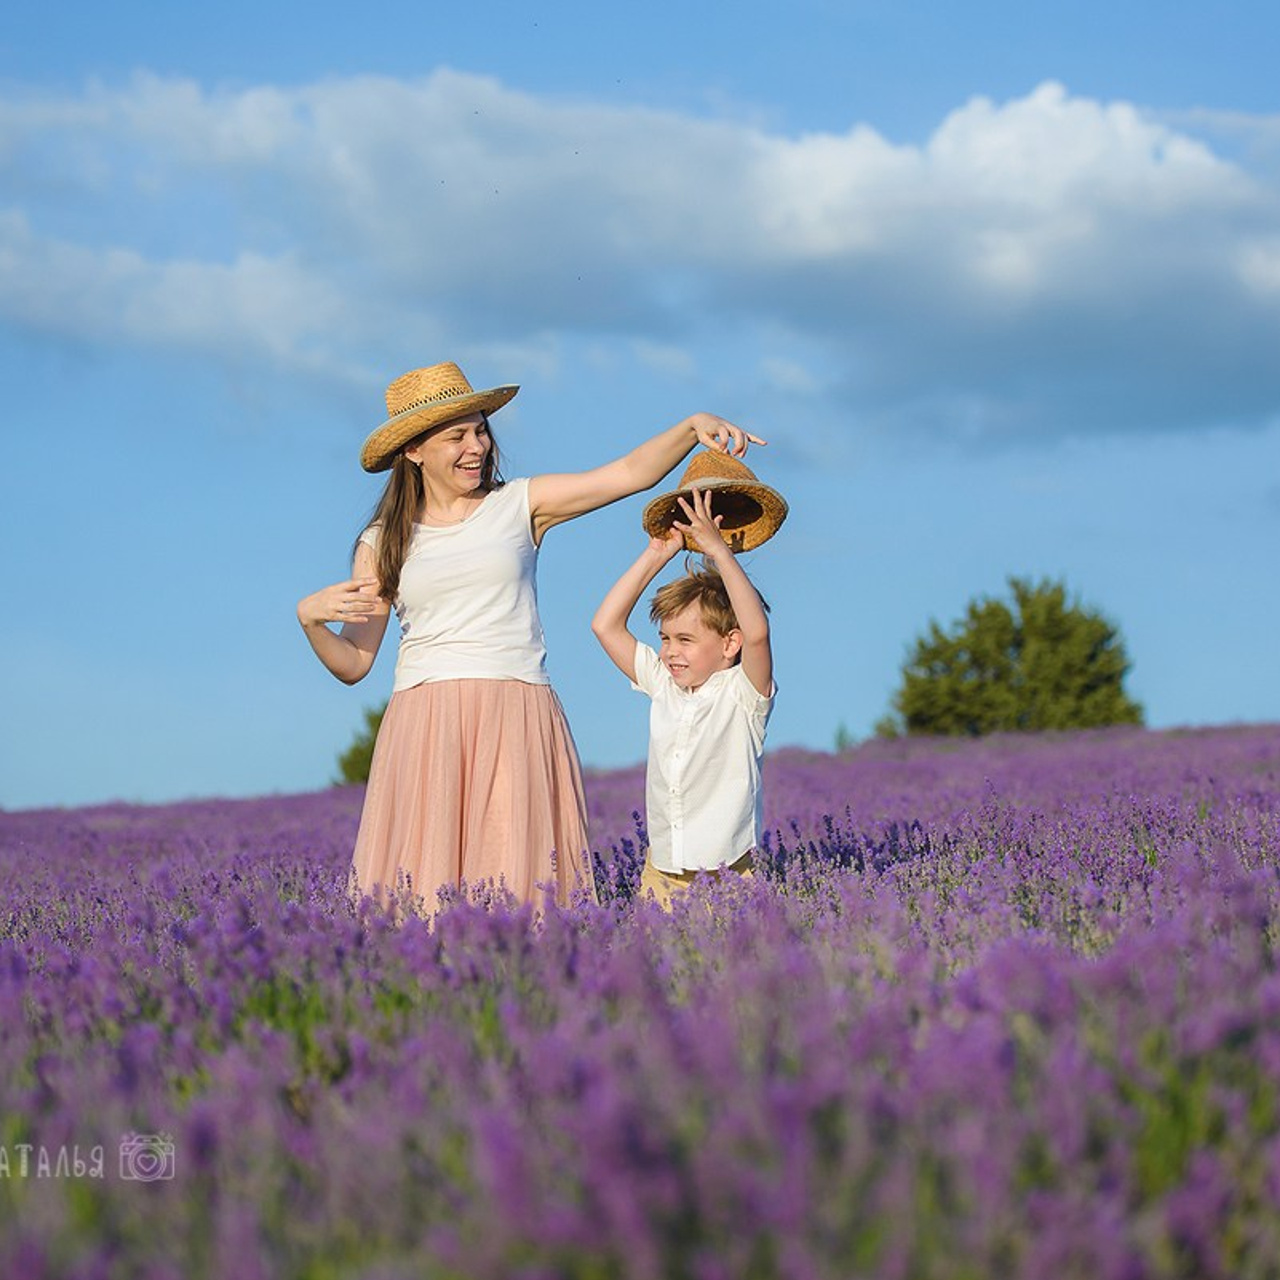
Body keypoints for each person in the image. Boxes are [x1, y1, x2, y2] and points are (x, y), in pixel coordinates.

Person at [297, 360, 762, 913]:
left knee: (523, 890)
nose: (476, 447)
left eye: (480, 431)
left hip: (516, 709)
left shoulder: (519, 504)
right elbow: (354, 662)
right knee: (422, 894)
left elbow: (628, 473)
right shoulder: (382, 542)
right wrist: (311, 621)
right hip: (426, 724)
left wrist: (690, 428)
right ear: (414, 450)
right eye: (456, 436)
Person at [591, 461, 781, 907]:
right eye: (665, 639)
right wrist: (656, 555)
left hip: (728, 872)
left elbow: (757, 633)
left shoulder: (744, 695)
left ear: (729, 643)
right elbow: (605, 625)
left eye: (686, 640)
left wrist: (719, 554)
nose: (670, 651)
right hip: (662, 868)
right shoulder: (664, 685)